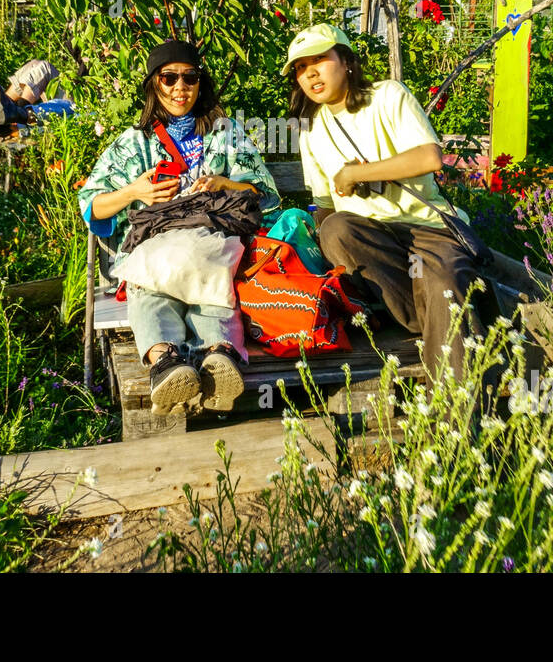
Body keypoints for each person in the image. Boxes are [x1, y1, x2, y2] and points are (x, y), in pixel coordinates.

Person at [282, 23, 501, 384]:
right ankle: (426, 313)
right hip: (375, 247)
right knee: (335, 228)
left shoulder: (387, 96)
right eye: (301, 69)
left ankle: (456, 422)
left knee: (445, 285)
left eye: (319, 59)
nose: (310, 74)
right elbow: (323, 205)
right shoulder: (313, 129)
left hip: (426, 228)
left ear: (347, 60)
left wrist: (357, 174)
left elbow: (430, 157)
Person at [78, 39, 281, 415]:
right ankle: (170, 363)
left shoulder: (225, 132)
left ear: (201, 84)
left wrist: (225, 184)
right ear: (154, 84)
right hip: (154, 246)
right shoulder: (133, 143)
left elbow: (263, 193)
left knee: (210, 269)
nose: (179, 87)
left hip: (212, 238)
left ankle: (214, 358)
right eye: (169, 78)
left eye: (190, 77)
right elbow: (91, 205)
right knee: (155, 277)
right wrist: (134, 191)